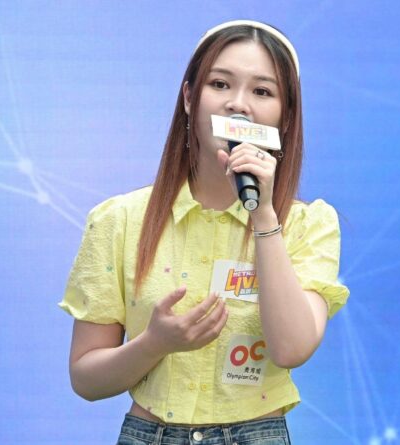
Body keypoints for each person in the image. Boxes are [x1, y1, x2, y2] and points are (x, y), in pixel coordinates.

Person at [58, 19, 350, 445]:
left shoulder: (310, 225)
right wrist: (154, 343)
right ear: (189, 98)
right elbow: (86, 379)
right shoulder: (119, 220)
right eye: (220, 84)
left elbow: (292, 348)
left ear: (285, 117)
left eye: (262, 92)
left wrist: (264, 216)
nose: (238, 104)